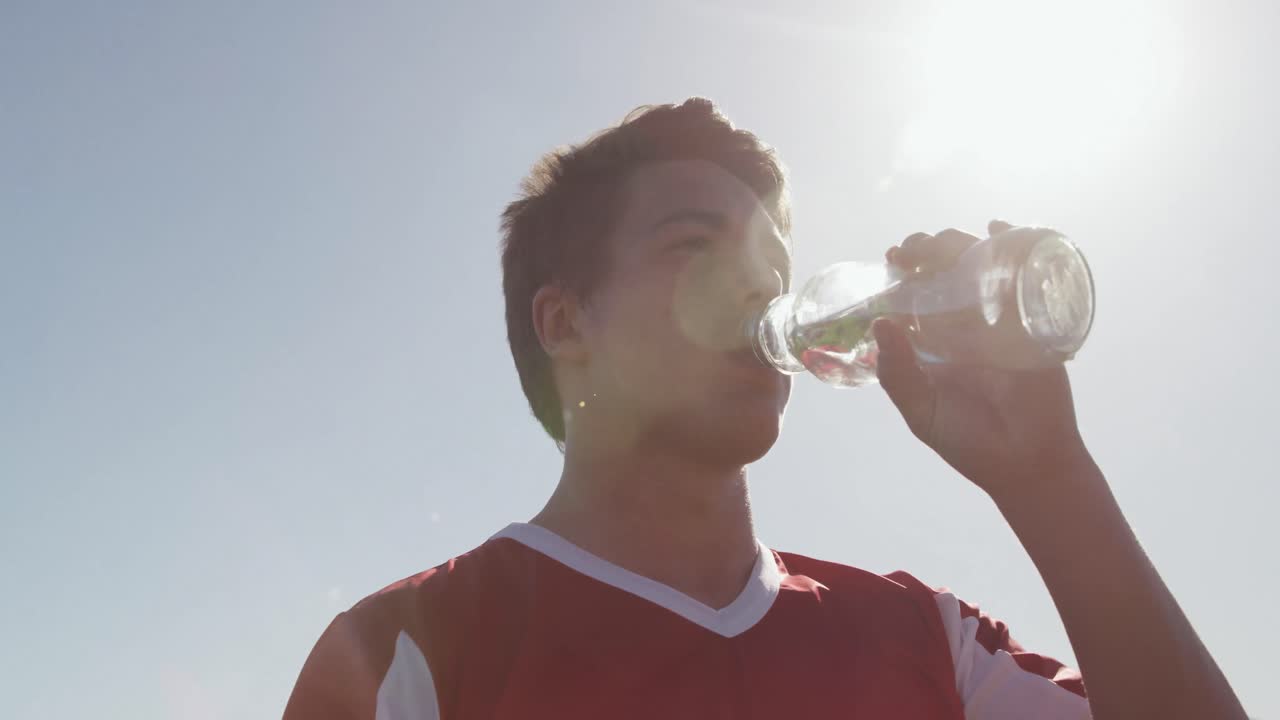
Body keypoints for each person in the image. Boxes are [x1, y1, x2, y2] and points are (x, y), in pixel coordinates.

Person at [282, 98, 1247, 719]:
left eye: (774, 269)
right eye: (696, 247)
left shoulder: (926, 638)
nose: (759, 292)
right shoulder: (408, 654)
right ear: (566, 319)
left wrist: (1050, 480)